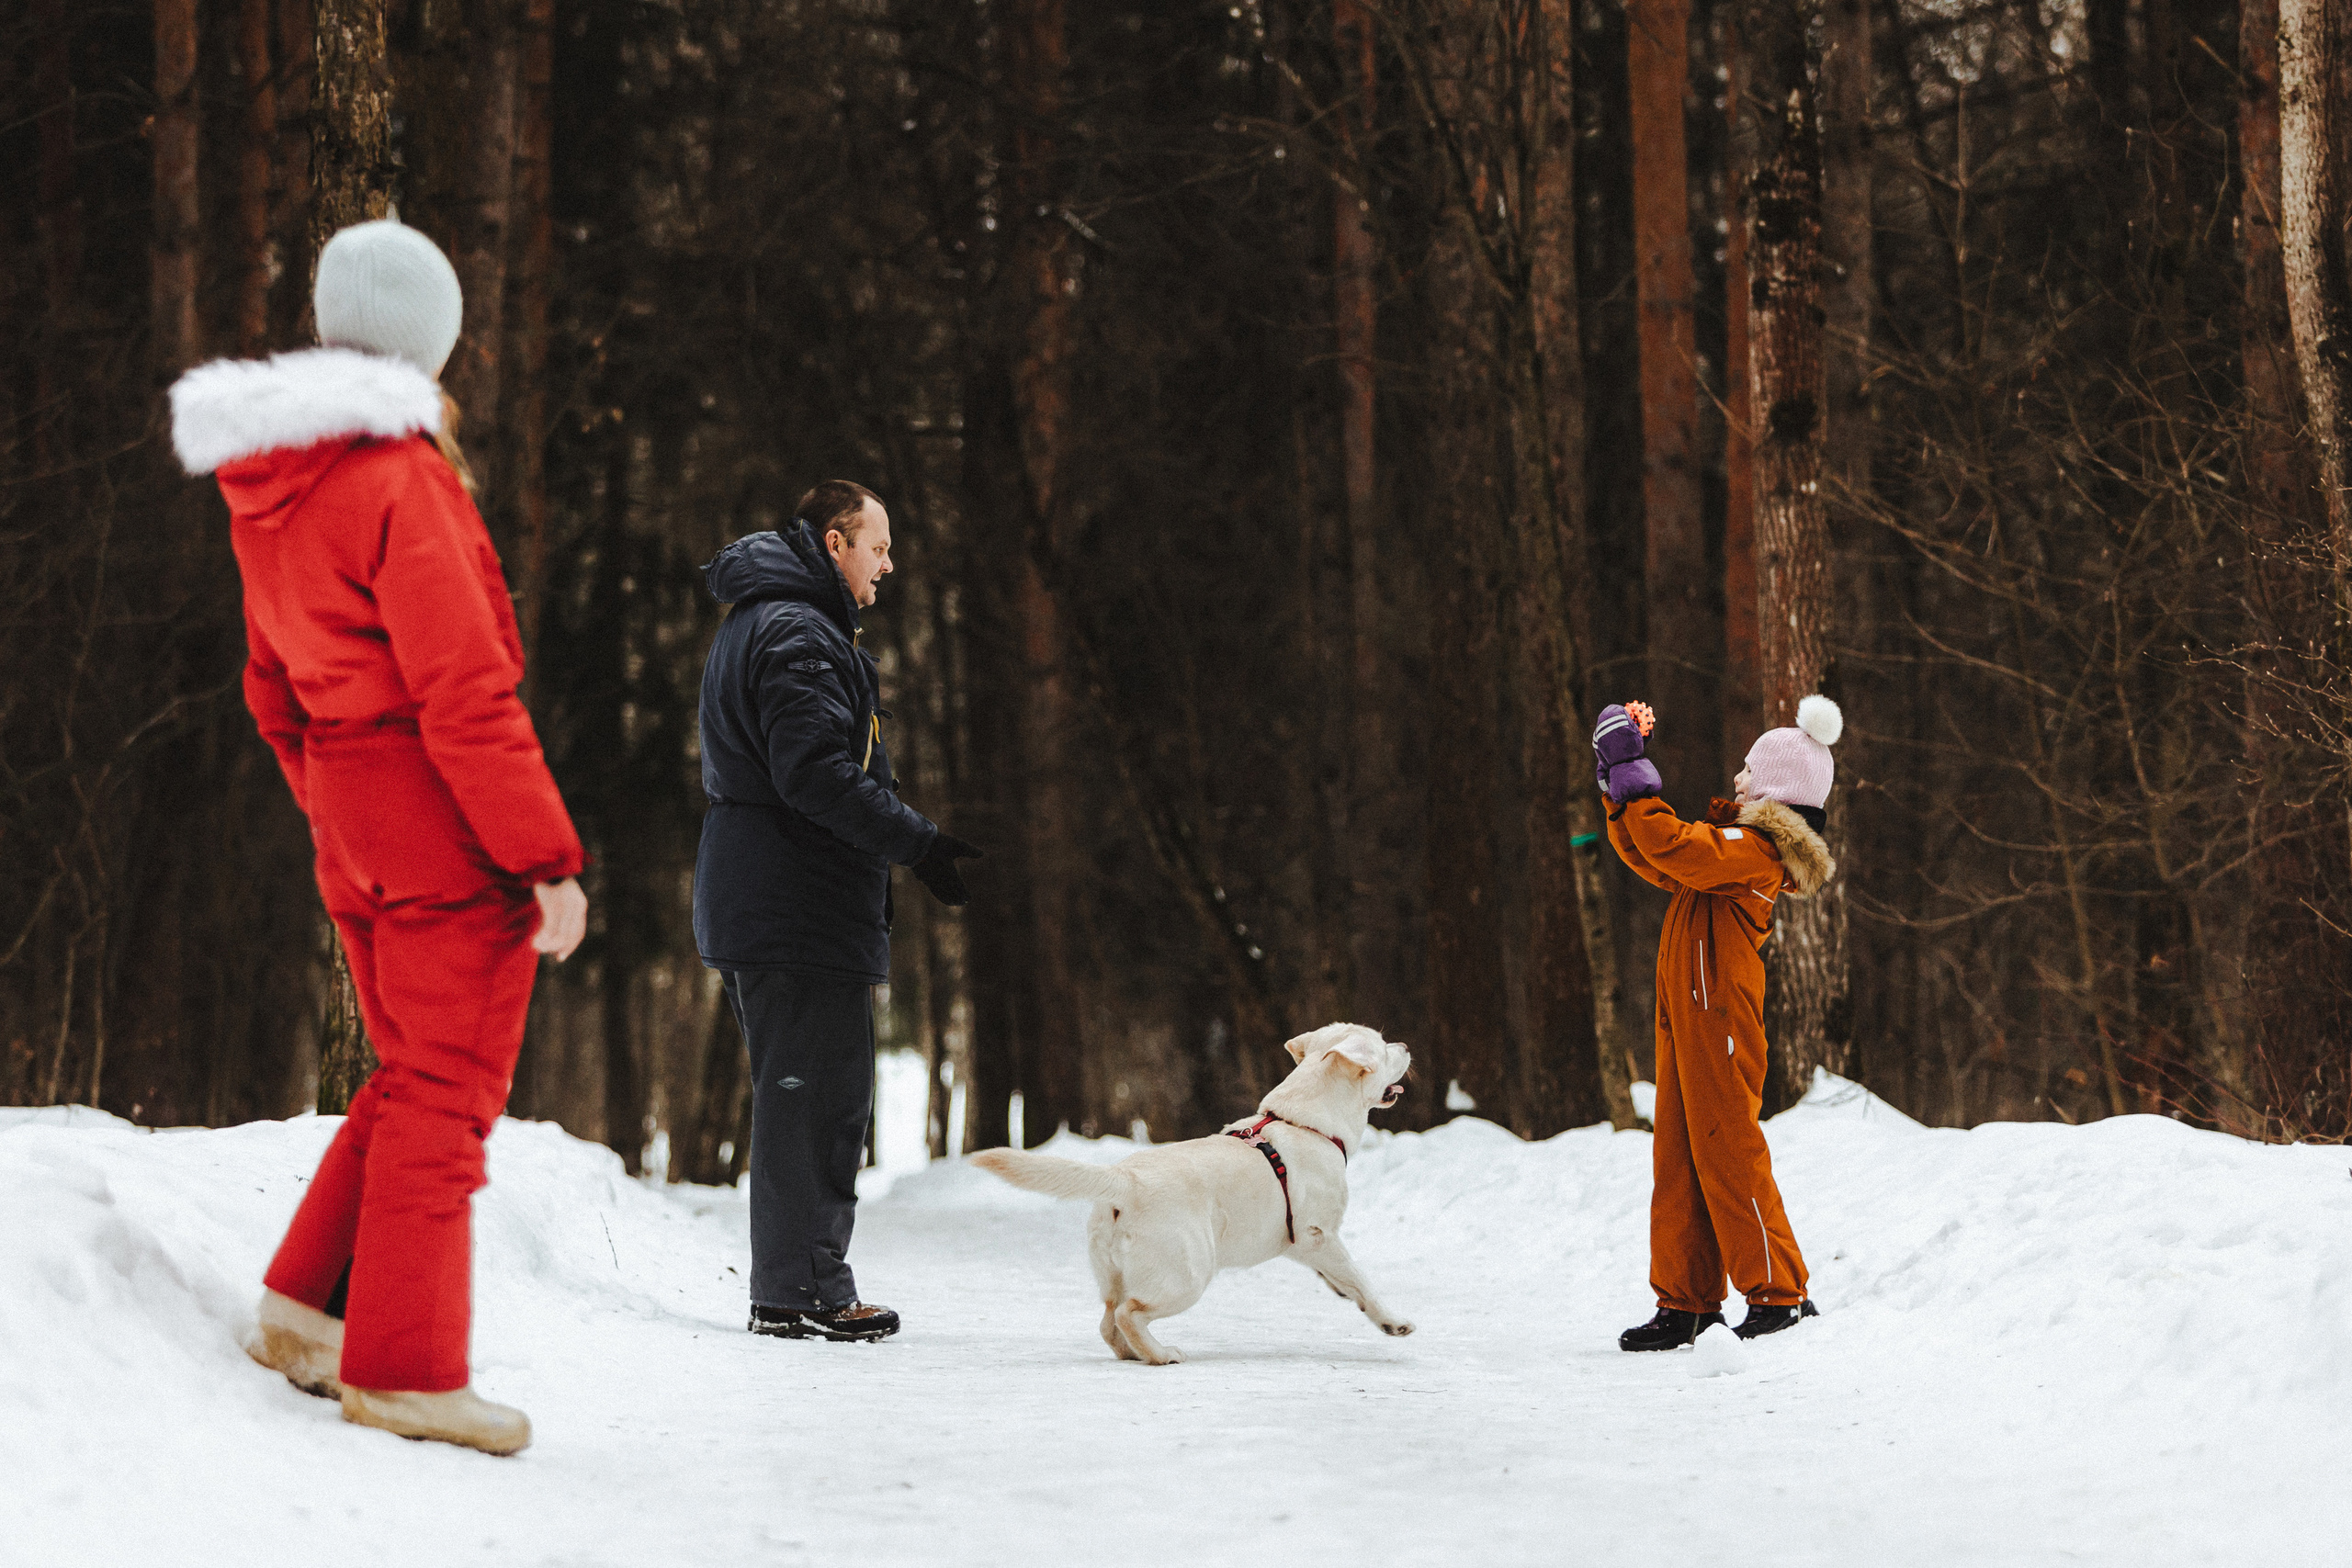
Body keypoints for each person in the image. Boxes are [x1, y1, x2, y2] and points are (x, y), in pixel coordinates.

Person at [170, 219, 586, 1455]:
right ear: (431, 343)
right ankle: (405, 1367)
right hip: (442, 822)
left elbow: (270, 686)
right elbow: (464, 691)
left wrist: (336, 793)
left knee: (410, 1073)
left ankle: (305, 1312)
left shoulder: (279, 479)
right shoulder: (399, 476)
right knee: (447, 1094)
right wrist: (546, 855)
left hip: (351, 818)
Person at [693, 483, 979, 1343]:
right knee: (814, 1105)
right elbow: (813, 772)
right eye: (878, 546)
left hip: (782, 905)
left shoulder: (777, 621)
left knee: (812, 1101)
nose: (888, 565)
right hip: (794, 910)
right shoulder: (795, 631)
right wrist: (918, 842)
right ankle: (801, 1292)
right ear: (834, 542)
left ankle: (799, 1286)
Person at [1591, 694, 1842, 1349]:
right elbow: (1656, 857)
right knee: (1678, 1156)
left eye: (1749, 772)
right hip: (1687, 1021)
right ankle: (1688, 1300)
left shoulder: (1754, 853)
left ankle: (1779, 1291)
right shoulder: (1732, 848)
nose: (1737, 778)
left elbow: (1673, 842)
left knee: (1729, 1152)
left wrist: (1634, 772)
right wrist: (1620, 792)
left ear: (1777, 790)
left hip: (1721, 1024)